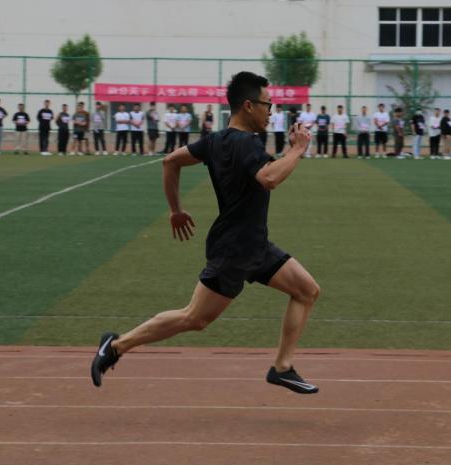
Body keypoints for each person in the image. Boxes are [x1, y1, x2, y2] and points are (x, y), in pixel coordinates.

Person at [90, 71, 320, 395]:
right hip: (235, 249)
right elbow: (269, 178)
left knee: (307, 291)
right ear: (249, 105)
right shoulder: (246, 143)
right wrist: (297, 150)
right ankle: (115, 346)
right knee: (194, 318)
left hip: (253, 244)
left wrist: (176, 210)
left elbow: (170, 161)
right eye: (268, 105)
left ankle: (282, 367)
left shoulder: (215, 140)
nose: (271, 112)